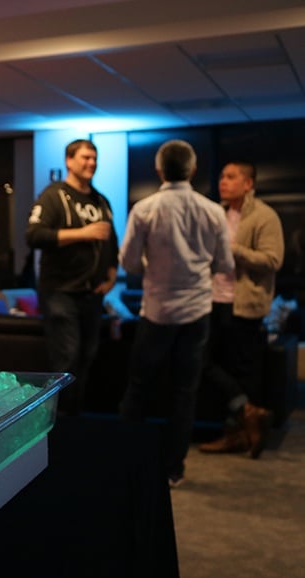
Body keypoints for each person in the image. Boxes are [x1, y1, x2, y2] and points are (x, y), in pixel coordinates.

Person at [119, 139, 234, 488]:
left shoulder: (145, 208)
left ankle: (125, 460)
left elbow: (127, 262)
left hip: (156, 310)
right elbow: (225, 264)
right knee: (185, 392)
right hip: (197, 311)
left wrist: (152, 266)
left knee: (139, 388)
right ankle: (173, 469)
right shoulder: (213, 211)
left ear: (158, 170)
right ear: (193, 170)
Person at [26, 139, 119, 416]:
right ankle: (61, 427)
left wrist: (112, 273)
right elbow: (33, 235)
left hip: (92, 294)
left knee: (86, 360)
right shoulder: (54, 195)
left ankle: (76, 421)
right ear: (69, 161)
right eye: (85, 158)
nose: (91, 163)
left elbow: (111, 241)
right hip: (60, 292)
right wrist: (83, 233)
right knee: (66, 360)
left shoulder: (101, 200)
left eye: (94, 158)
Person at [198, 161, 283, 458]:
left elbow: (273, 260)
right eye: (222, 176)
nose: (224, 181)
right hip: (214, 300)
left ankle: (239, 435)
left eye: (231, 177)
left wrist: (234, 248)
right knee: (204, 361)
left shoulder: (264, 216)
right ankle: (248, 412)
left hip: (245, 304)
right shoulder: (217, 213)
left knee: (243, 370)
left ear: (248, 184)